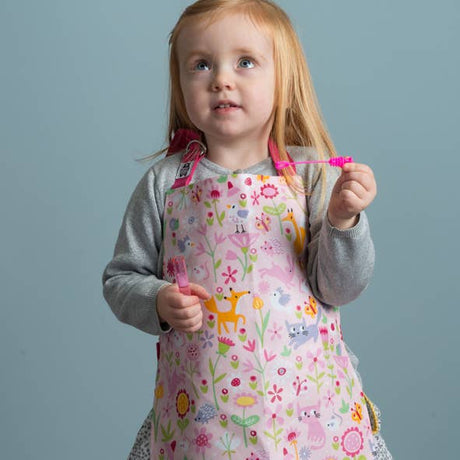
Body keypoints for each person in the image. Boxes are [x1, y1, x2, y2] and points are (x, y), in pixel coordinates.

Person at [102, 1, 392, 458]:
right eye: (201, 64)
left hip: (309, 415)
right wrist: (157, 300)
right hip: (203, 420)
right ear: (180, 85)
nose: (221, 79)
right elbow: (121, 278)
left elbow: (341, 288)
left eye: (245, 62)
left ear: (283, 79)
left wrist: (343, 221)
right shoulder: (165, 184)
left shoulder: (311, 176)